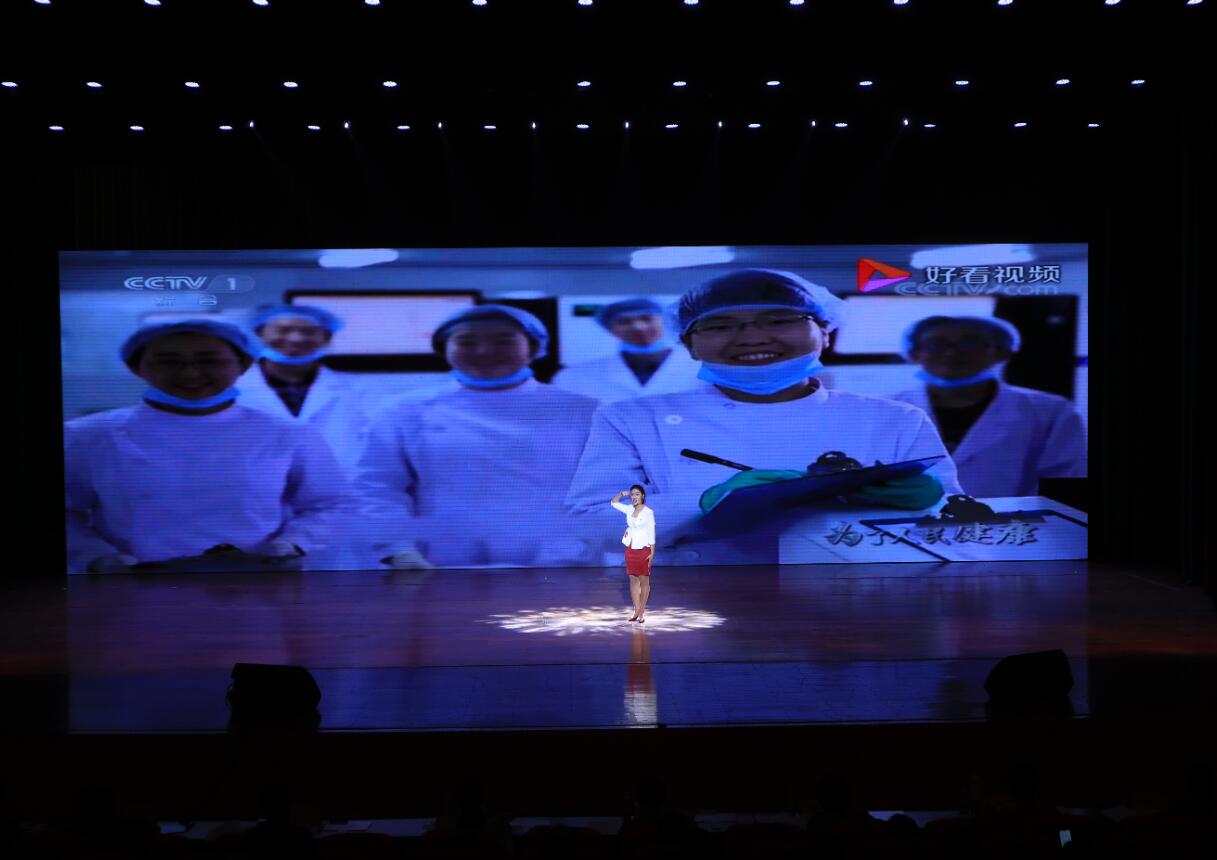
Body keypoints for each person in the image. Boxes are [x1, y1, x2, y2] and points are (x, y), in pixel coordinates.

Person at [565, 269, 962, 564]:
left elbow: (955, 524)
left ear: (825, 332)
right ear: (689, 345)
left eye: (779, 320)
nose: (752, 338)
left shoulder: (895, 418)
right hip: (697, 602)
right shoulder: (632, 418)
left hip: (860, 600)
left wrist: (927, 504)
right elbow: (593, 526)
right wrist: (703, 502)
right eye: (721, 325)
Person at [64, 320, 358, 574]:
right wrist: (98, 557)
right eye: (168, 361)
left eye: (210, 360)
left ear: (242, 365)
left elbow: (329, 503)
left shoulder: (288, 433)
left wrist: (292, 544)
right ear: (136, 367)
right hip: (133, 583)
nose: (190, 374)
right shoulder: (88, 435)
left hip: (256, 581)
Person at [355, 304, 601, 568]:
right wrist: (399, 549)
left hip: (564, 561)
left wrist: (578, 547)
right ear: (444, 349)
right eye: (466, 342)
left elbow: (605, 487)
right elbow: (377, 486)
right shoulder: (403, 410)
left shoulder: (584, 410)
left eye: (503, 341)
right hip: (439, 562)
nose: (484, 351)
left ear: (533, 347)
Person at [891, 315, 1086, 497]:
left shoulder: (1050, 411)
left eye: (970, 343)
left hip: (1016, 519)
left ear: (1001, 352)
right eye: (936, 344)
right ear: (914, 353)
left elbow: (1064, 479)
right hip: (902, 519)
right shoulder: (890, 409)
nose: (952, 352)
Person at [237, 304, 372, 477]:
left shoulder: (361, 391)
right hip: (253, 488)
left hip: (336, 487)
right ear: (259, 334)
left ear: (327, 338)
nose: (296, 339)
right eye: (283, 330)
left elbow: (376, 454)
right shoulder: (233, 389)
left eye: (309, 332)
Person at [551, 297, 701, 403]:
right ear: (610, 329)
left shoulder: (700, 369)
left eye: (646, 318)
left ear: (666, 322)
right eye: (624, 321)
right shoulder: (575, 376)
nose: (638, 327)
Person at [612, 484, 656, 622]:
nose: (634, 497)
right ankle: (636, 610)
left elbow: (651, 532)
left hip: (644, 549)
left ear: (642, 496)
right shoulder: (629, 509)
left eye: (637, 494)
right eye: (632, 494)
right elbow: (613, 503)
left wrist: (652, 553)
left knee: (644, 581)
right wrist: (622, 494)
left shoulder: (648, 512)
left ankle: (642, 612)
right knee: (633, 580)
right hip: (630, 549)